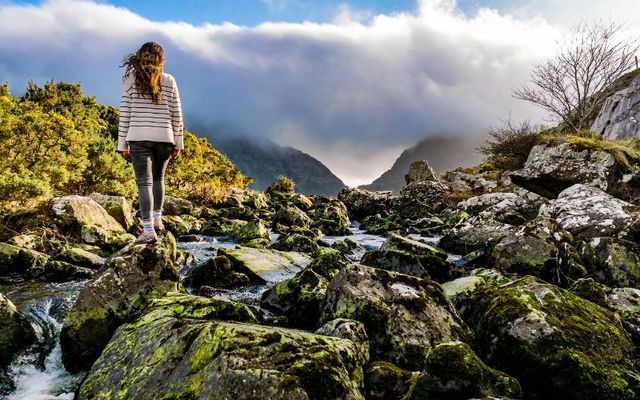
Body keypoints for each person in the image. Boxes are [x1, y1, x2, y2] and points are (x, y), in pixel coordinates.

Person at [117, 42, 184, 244]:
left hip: (138, 137)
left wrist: (122, 144)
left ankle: (147, 230)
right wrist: (178, 142)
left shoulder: (131, 79)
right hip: (165, 138)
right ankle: (158, 221)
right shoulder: (169, 80)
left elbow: (125, 112)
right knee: (158, 179)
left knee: (144, 183)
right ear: (160, 60)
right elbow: (176, 113)